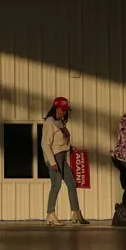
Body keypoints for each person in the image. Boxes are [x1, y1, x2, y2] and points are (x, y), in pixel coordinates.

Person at [41, 97, 89, 226]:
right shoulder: (49, 122)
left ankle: (76, 213)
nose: (64, 112)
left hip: (62, 156)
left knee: (72, 183)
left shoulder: (60, 123)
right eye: (62, 110)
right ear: (56, 108)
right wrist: (52, 162)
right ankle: (50, 214)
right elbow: (45, 144)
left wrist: (71, 148)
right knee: (56, 185)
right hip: (54, 157)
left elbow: (62, 141)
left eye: (66, 110)